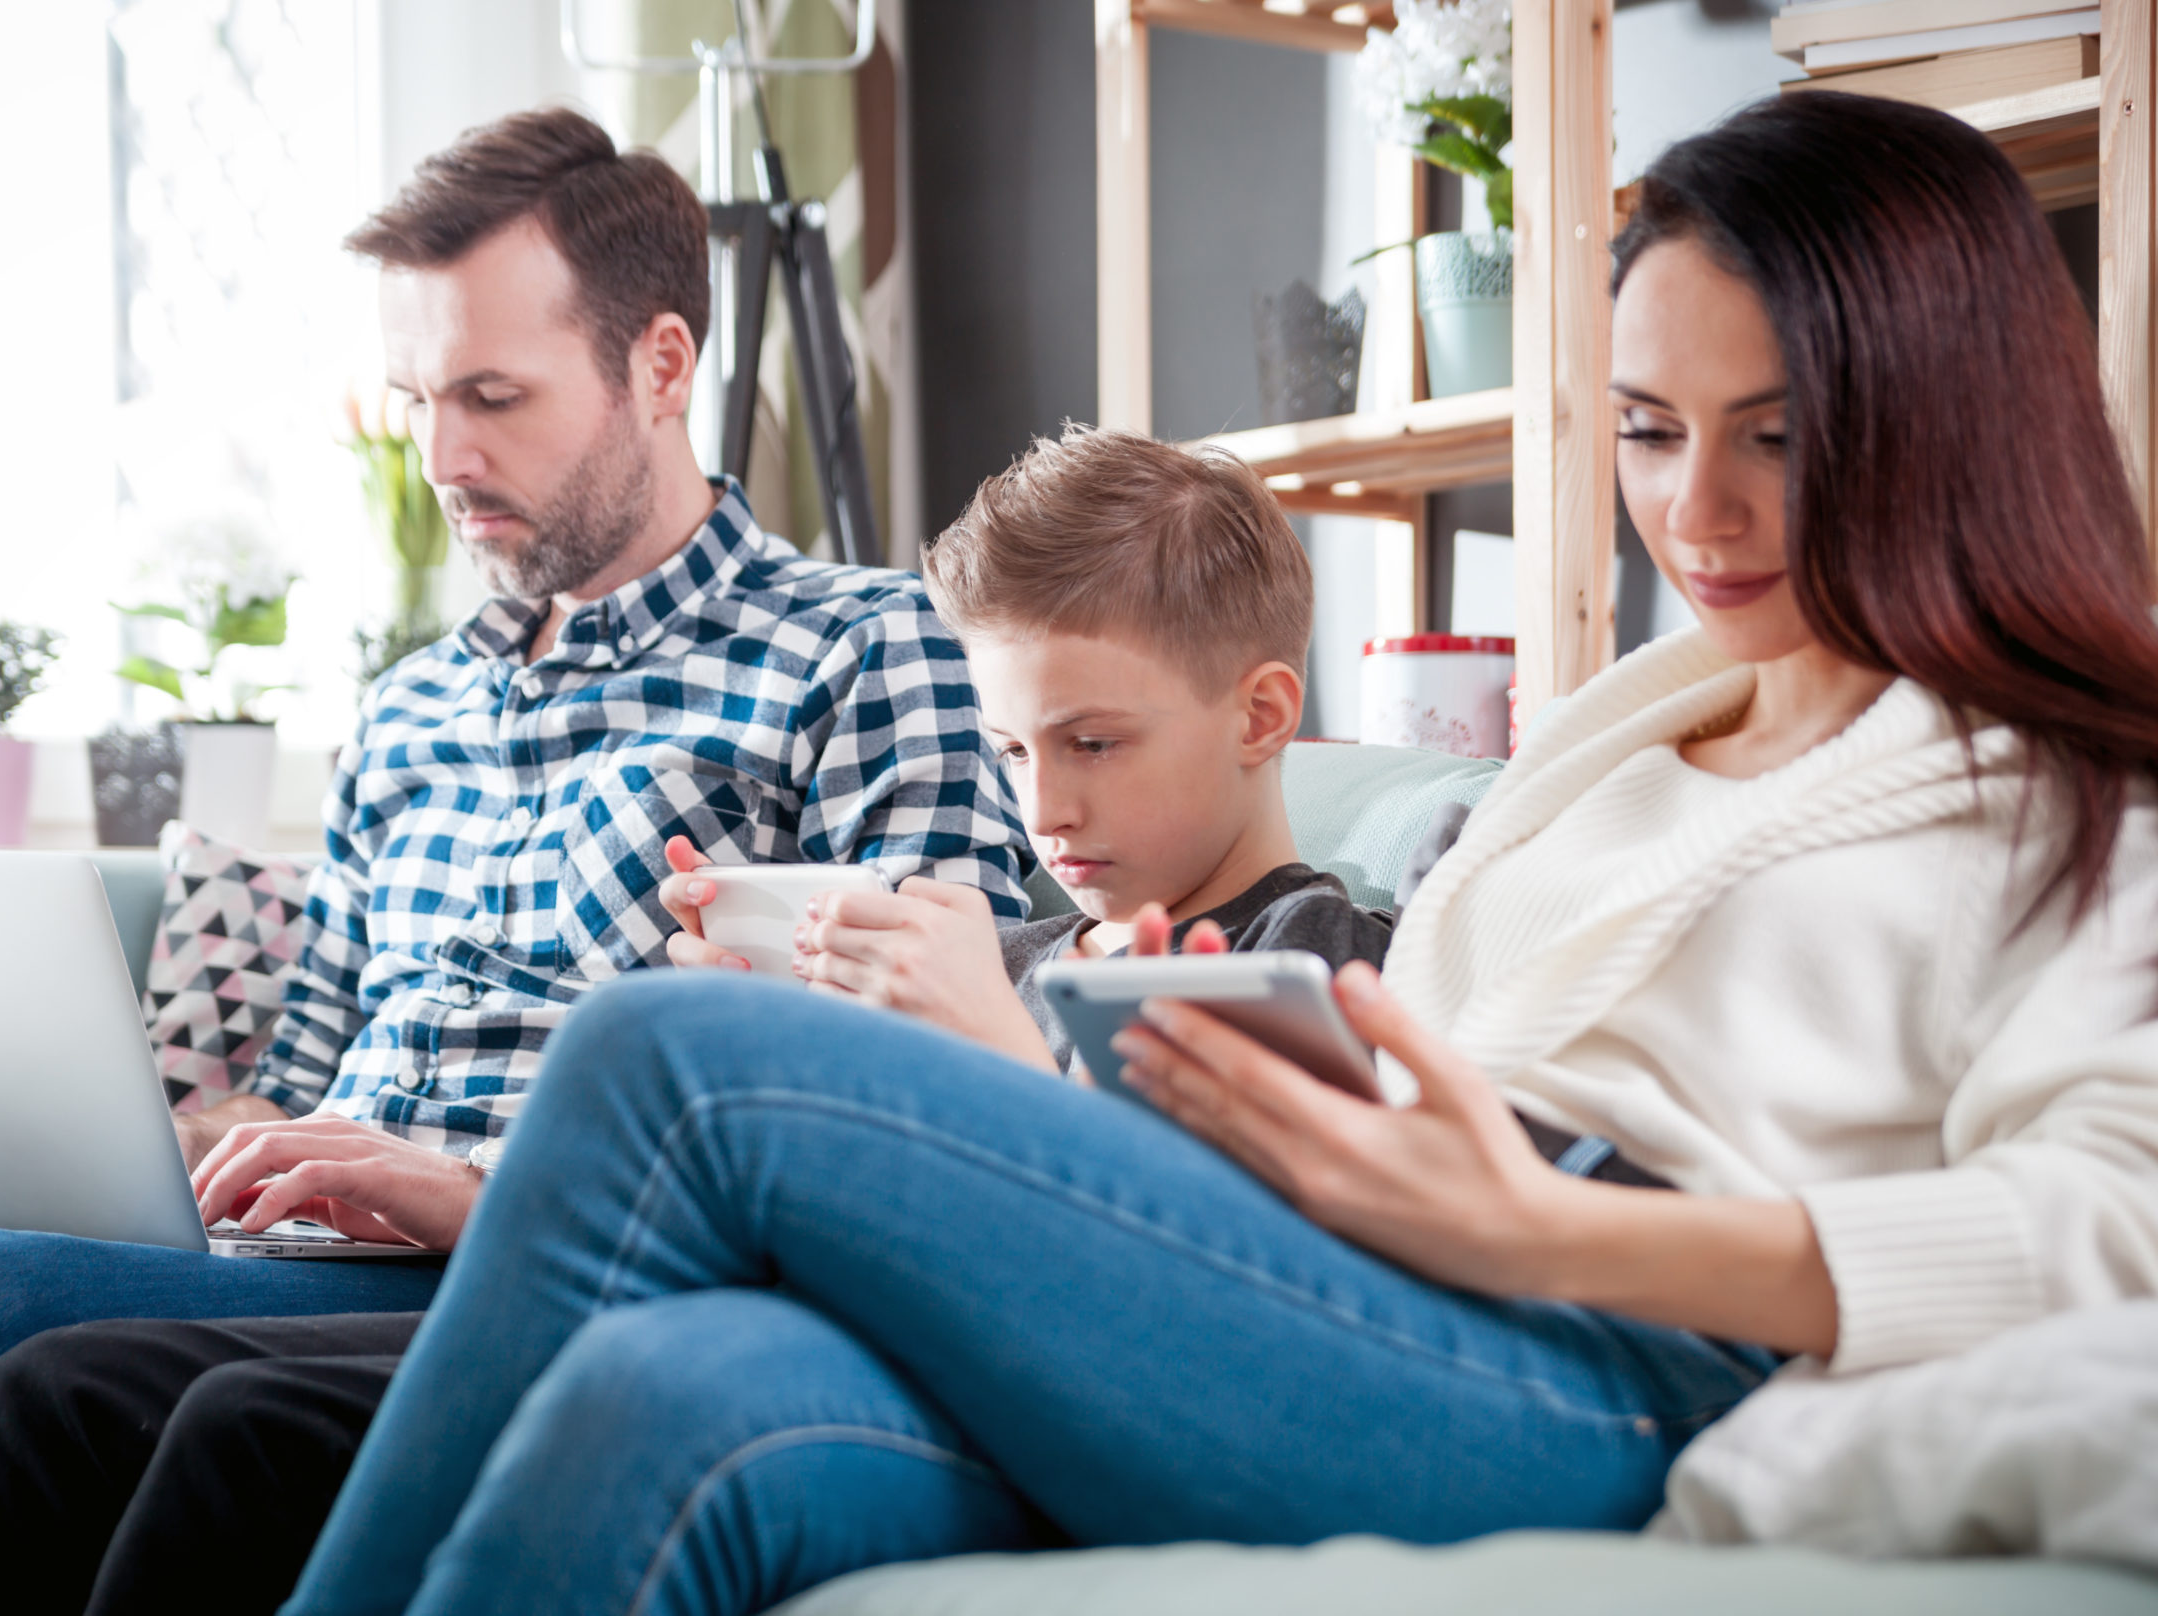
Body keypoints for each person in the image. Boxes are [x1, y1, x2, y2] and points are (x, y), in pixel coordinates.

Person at [262, 93, 2158, 1616]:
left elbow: (2111, 1228)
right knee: (669, 1402)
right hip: (1387, 1270)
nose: (1700, 509)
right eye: (1654, 430)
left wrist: (1549, 1227)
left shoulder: (2080, 794)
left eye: (1780, 435)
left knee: (658, 1056)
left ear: (1946, 407)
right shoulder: (1635, 725)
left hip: (1615, 1341)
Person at [0, 107, 1028, 1616]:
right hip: (279, 1247)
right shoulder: (408, 704)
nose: (443, 456)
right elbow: (311, 1065)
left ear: (663, 366)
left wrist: (464, 1178)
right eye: (417, 398)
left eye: (493, 395)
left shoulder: (867, 648)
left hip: (505, 1259)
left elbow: (928, 1111)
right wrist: (169, 1136)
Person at [0, 425, 1414, 1616]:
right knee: (64, 1391)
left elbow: (1225, 1303)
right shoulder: (988, 937)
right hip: (718, 1306)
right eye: (1011, 747)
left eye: (1092, 742)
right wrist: (689, 1087)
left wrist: (968, 1046)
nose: (1044, 803)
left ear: (1263, 715)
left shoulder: (1311, 955)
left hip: (917, 1394)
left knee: (244, 1432)